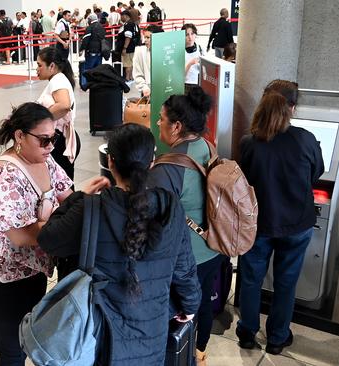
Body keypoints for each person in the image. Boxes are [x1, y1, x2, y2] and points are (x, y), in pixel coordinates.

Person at [38, 123, 201, 365]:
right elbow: (184, 268)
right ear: (152, 162)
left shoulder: (91, 208)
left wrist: (78, 196)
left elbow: (48, 239)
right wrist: (190, 304)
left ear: (110, 162)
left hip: (101, 336)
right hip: (152, 332)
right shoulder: (169, 207)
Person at [0, 102, 73, 366]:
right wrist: (64, 225)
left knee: (28, 334)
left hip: (33, 266)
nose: (51, 146)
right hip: (2, 273)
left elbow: (68, 198)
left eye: (54, 138)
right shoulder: (3, 176)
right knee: (14, 344)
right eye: (44, 140)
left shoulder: (46, 161)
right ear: (19, 136)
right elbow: (20, 236)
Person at [237, 80, 324, 356]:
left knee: (250, 278)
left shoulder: (249, 142)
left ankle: (247, 334)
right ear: (293, 108)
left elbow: (245, 182)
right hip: (297, 225)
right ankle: (277, 338)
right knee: (286, 281)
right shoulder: (306, 139)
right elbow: (316, 173)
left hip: (258, 225)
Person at [147, 86, 224, 366]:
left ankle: (179, 356)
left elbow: (155, 223)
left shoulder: (168, 169)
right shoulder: (206, 146)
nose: (158, 123)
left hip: (184, 260)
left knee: (178, 311)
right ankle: (199, 352)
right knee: (201, 303)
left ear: (177, 126)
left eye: (161, 118)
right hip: (214, 247)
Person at [36, 47, 80, 181]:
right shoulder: (58, 79)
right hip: (60, 139)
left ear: (52, 66)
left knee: (61, 184)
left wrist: (39, 120)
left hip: (59, 140)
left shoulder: (58, 80)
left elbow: (64, 105)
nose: (37, 69)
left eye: (39, 65)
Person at [133, 24, 163, 97]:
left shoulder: (165, 52)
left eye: (148, 37)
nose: (145, 40)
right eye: (144, 37)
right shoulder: (140, 52)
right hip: (147, 92)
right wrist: (144, 87)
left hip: (164, 90)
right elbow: (137, 74)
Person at [79, 13, 105, 88]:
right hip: (100, 52)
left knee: (88, 69)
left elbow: (86, 40)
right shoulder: (101, 27)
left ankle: (88, 84)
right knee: (98, 70)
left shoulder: (90, 28)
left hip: (91, 52)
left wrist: (81, 49)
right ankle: (97, 84)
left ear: (90, 20)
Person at [117, 10, 139, 81]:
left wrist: (124, 48)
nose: (120, 18)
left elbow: (128, 37)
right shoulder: (133, 23)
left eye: (121, 16)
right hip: (132, 47)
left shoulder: (128, 24)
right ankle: (131, 77)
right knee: (131, 63)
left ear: (125, 16)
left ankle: (127, 78)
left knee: (127, 64)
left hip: (128, 48)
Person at [182, 23, 204, 89]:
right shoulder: (180, 51)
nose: (190, 37)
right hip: (185, 85)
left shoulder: (200, 48)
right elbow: (180, 76)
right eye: (187, 35)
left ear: (195, 34)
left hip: (198, 84)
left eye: (192, 34)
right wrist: (190, 64)